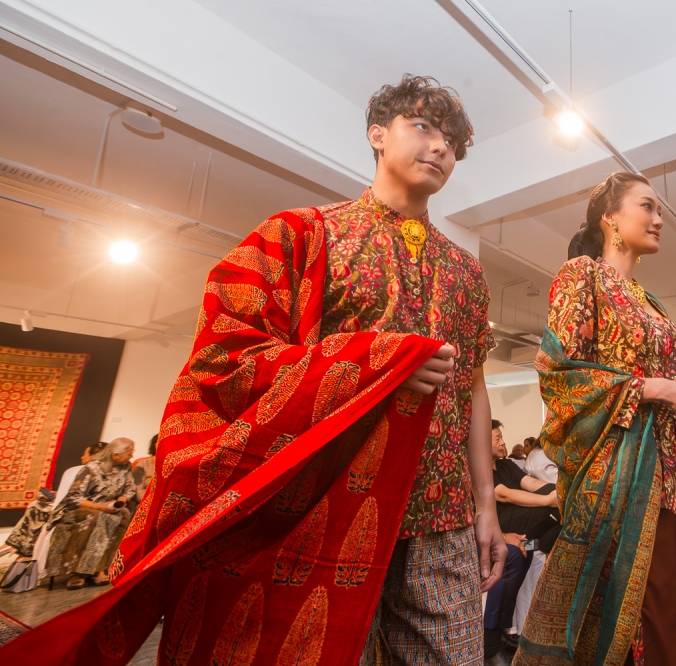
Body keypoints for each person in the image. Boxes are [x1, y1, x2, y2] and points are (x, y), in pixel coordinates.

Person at [0, 75, 505, 665]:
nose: (441, 146)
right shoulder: (301, 235)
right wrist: (374, 361)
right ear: (377, 135)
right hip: (322, 509)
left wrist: (485, 505)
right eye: (422, 127)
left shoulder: (466, 275)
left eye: (452, 141)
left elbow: (472, 390)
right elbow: (223, 360)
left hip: (439, 517)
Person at [514, 172, 676, 666]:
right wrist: (654, 389)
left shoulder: (653, 303)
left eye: (660, 211)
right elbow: (559, 374)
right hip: (621, 477)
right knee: (637, 610)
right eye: (648, 206)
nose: (660, 219)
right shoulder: (582, 276)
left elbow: (669, 380)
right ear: (611, 217)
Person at [486, 420, 560, 665]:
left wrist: (557, 490)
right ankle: (491, 643)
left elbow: (531, 484)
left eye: (501, 437)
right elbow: (504, 494)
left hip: (518, 532)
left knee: (525, 550)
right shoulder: (479, 470)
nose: (502, 442)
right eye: (496, 438)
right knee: (549, 512)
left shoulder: (506, 465)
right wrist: (547, 501)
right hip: (500, 525)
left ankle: (537, 545)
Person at [46, 438, 136, 589]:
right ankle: (78, 572)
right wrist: (99, 506)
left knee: (124, 516)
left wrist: (120, 502)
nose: (131, 457)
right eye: (129, 454)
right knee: (98, 518)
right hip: (82, 508)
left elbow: (129, 489)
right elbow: (74, 497)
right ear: (115, 455)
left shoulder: (125, 467)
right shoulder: (91, 468)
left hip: (108, 508)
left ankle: (99, 568)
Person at [0, 442, 108, 560]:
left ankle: (19, 548)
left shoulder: (89, 472)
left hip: (77, 511)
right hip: (75, 507)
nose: (82, 457)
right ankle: (17, 547)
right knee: (39, 504)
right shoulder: (96, 472)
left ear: (93, 456)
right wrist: (57, 494)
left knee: (35, 507)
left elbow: (80, 498)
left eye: (85, 454)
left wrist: (59, 498)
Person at [130, 434, 157, 506]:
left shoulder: (177, 467)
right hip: (146, 504)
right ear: (156, 444)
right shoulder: (142, 465)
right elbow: (137, 492)